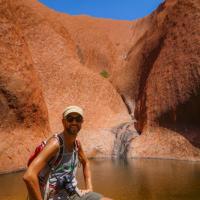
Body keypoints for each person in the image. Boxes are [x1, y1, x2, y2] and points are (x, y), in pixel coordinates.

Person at [23, 105, 110, 200]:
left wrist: (89, 188)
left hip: (72, 194)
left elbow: (85, 162)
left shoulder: (77, 144)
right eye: (70, 119)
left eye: (78, 119)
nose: (74, 122)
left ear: (82, 122)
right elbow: (29, 175)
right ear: (63, 122)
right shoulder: (55, 144)